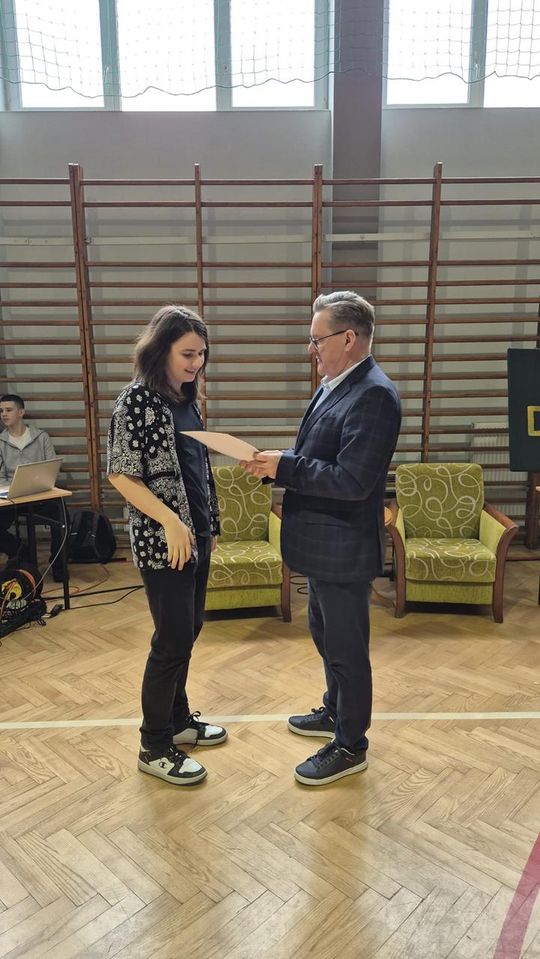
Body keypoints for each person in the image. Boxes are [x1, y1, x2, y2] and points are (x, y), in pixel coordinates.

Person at [242, 291, 401, 786]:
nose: (311, 349)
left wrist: (286, 467)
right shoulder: (336, 384)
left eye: (316, 340)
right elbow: (320, 455)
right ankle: (335, 709)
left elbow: (353, 480)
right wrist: (277, 464)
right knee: (324, 634)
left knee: (347, 650)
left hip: (344, 548)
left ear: (348, 338)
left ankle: (351, 745)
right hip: (321, 544)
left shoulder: (374, 394)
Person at [107, 305, 225, 786]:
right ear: (161, 351)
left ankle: (177, 721)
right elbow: (121, 473)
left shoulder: (186, 399)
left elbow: (195, 468)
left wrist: (205, 524)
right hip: (164, 541)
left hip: (197, 537)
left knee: (188, 631)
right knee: (171, 640)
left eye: (202, 354)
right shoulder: (135, 401)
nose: (197, 363)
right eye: (187, 354)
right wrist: (172, 521)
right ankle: (154, 744)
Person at [0, 393, 66, 581]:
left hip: (40, 495)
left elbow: (52, 467)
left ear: (21, 412)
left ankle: (58, 565)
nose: (4, 414)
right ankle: (19, 550)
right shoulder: (0, 441)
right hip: (12, 498)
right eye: (1, 411)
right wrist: (11, 487)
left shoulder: (41, 437)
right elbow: (1, 477)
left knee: (62, 517)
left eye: (8, 410)